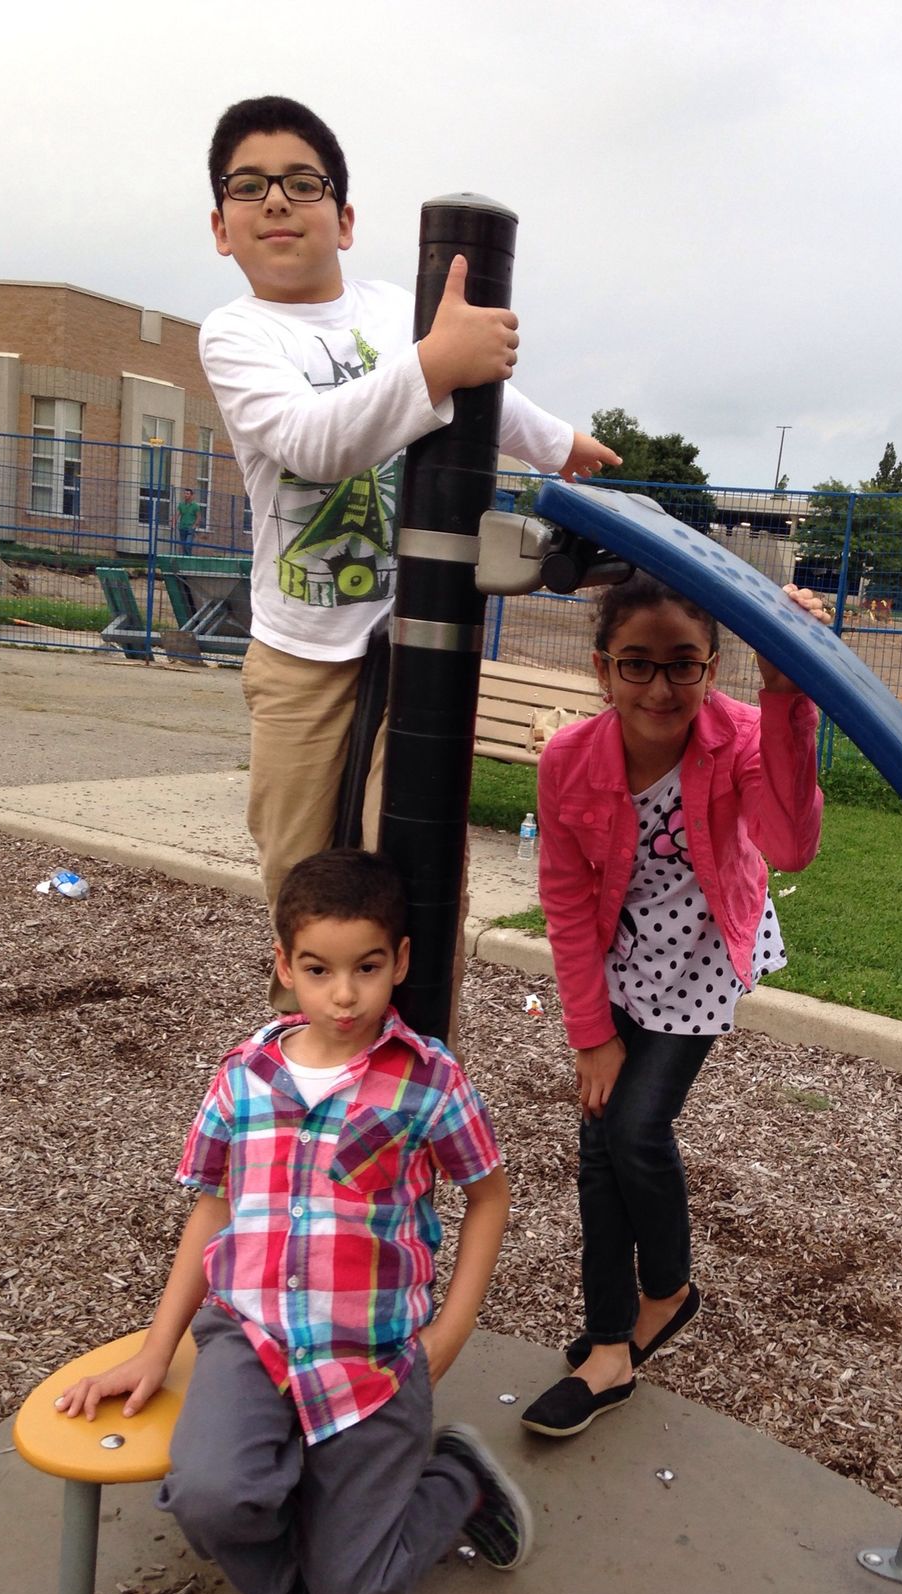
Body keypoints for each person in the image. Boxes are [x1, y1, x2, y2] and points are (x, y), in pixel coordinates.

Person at [57, 849, 529, 1594]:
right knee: (212, 1495)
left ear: (401, 961)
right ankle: (278, 1581)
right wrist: (154, 1348)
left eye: (367, 967)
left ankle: (457, 1481)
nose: (343, 994)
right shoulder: (243, 1077)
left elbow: (489, 1195)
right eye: (318, 969)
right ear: (284, 965)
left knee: (362, 1581)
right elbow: (212, 1206)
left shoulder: (429, 1082)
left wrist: (447, 1334)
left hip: (371, 1357)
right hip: (254, 1339)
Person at [199, 95, 618, 992]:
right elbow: (313, 439)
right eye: (249, 186)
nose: (277, 200)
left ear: (344, 220)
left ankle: (418, 1063)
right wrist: (438, 361)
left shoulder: (398, 309)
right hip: (302, 653)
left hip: (414, 631)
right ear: (220, 227)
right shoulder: (237, 334)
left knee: (415, 876)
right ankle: (304, 1050)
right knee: (304, 873)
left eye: (302, 183)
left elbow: (483, 397)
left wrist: (558, 443)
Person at [520, 573, 827, 1437]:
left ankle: (669, 1287)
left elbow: (791, 843)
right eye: (637, 666)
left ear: (713, 667)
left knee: (635, 1131)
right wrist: (589, 1035)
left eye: (682, 666)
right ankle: (611, 1341)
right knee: (598, 1146)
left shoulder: (737, 738)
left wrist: (786, 691)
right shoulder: (569, 759)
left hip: (700, 959)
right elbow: (567, 900)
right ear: (602, 670)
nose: (660, 688)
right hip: (618, 965)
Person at [176, 488, 201, 555]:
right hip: (182, 527)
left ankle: (189, 558)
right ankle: (185, 560)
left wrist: (194, 526)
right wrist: (173, 522)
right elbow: (177, 514)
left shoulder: (195, 506)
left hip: (190, 528)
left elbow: (198, 517)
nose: (185, 495)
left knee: (188, 544)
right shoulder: (181, 504)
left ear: (191, 495)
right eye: (185, 493)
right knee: (183, 546)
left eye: (187, 494)